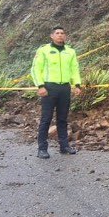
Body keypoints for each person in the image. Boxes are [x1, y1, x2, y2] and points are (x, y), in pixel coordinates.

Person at [30, 26, 82, 158]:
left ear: (65, 36)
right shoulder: (44, 50)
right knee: (46, 119)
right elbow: (36, 69)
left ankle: (64, 146)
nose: (60, 35)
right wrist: (40, 86)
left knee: (62, 119)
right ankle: (42, 149)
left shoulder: (70, 52)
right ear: (52, 36)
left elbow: (74, 69)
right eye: (57, 33)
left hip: (64, 88)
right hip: (49, 88)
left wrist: (77, 84)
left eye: (62, 33)